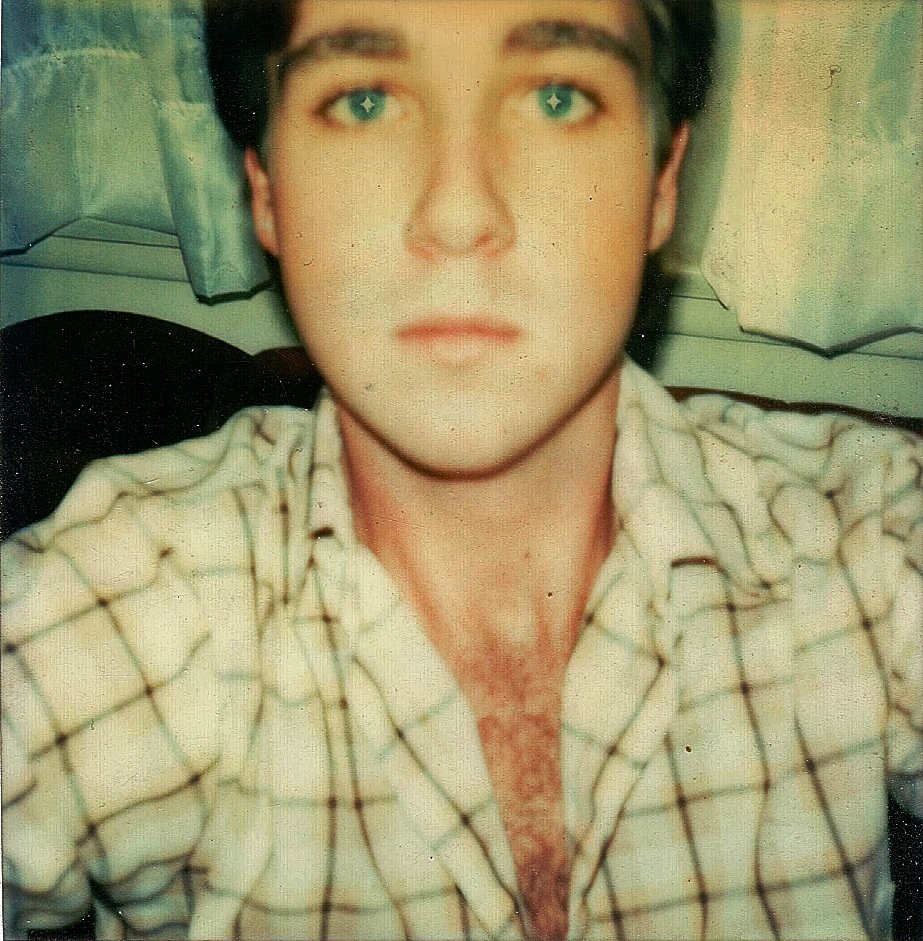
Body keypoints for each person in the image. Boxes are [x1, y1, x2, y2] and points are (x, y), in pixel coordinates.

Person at [1, 2, 920, 939]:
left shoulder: (867, 539)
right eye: (363, 101)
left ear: (661, 182)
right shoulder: (111, 609)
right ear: (264, 189)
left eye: (556, 97)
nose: (456, 213)